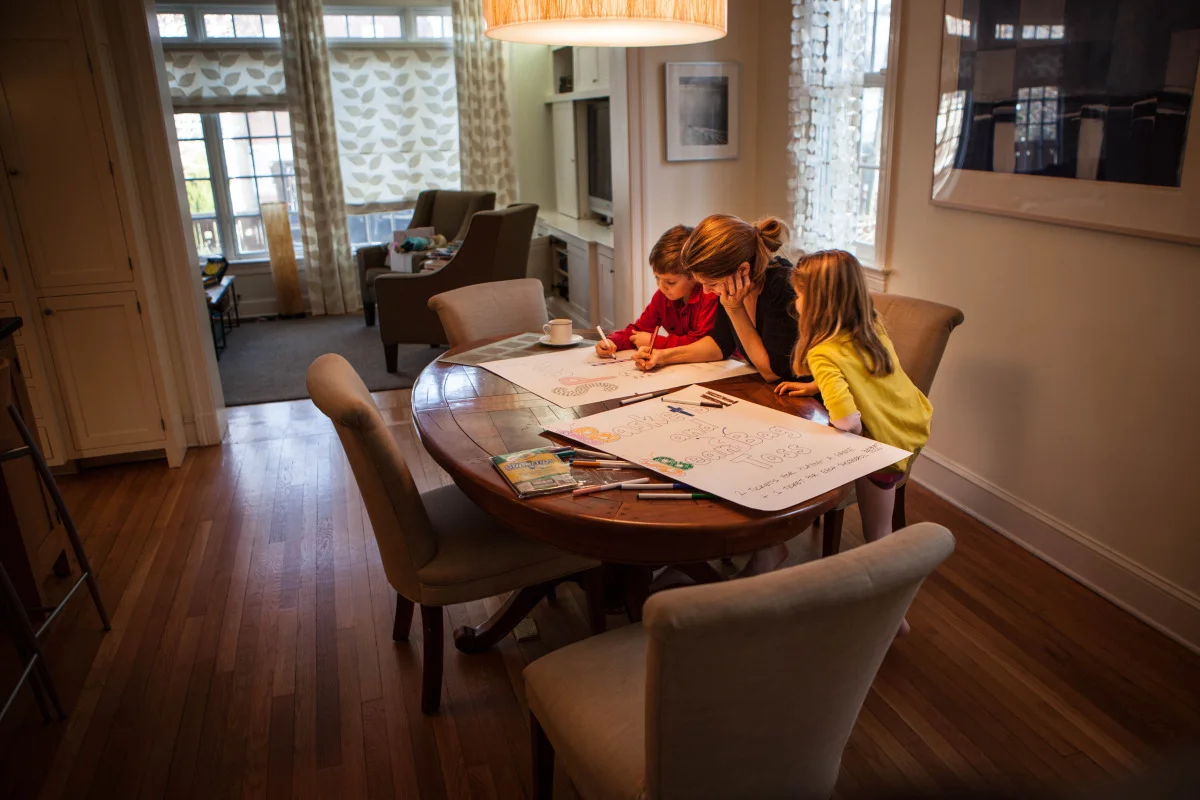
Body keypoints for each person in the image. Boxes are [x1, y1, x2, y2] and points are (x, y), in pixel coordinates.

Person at [775, 249, 933, 633]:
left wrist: (833, 424)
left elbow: (849, 423)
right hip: (911, 423)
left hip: (882, 447)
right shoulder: (870, 325)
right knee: (881, 531)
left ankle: (893, 615)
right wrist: (815, 387)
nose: (795, 303)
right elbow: (864, 375)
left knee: (877, 536)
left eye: (799, 295)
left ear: (818, 303)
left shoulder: (823, 352)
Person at [631, 215, 814, 390]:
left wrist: (734, 309)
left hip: (808, 398)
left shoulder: (782, 286)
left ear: (743, 270)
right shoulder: (731, 284)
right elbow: (719, 345)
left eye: (711, 284)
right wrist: (663, 356)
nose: (706, 291)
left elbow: (772, 373)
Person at [595, 224, 717, 358]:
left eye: (670, 282)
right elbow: (639, 329)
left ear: (694, 275)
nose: (661, 287)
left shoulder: (709, 296)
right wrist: (613, 341)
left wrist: (655, 341)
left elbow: (702, 344)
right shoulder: (662, 296)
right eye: (657, 278)